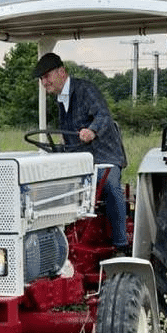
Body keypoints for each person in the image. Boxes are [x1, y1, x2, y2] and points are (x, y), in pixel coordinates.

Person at [33, 52, 128, 255]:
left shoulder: (85, 89)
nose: (44, 82)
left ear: (61, 72)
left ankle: (121, 245)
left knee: (108, 183)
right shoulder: (61, 99)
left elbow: (103, 115)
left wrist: (92, 130)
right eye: (42, 79)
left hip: (104, 155)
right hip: (79, 159)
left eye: (47, 76)